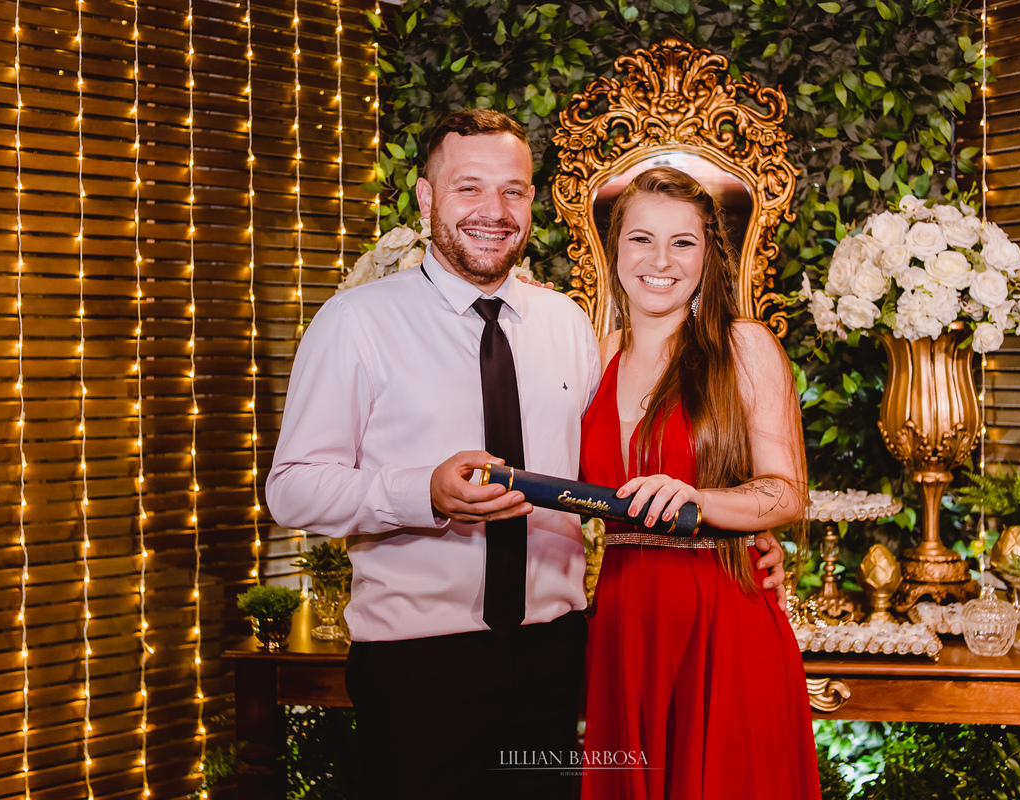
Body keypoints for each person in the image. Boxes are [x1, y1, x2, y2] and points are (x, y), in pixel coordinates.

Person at [266, 110, 786, 799]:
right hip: (419, 665)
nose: (494, 210)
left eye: (512, 190)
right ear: (425, 198)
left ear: (532, 202)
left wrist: (737, 523)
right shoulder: (356, 323)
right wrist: (423, 491)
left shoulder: (568, 326)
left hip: (556, 654)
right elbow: (292, 489)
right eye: (469, 188)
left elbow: (624, 463)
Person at [579, 166, 820, 800]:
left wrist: (703, 501)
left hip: (722, 617)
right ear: (614, 249)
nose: (660, 260)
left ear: (708, 255)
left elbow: (787, 492)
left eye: (682, 242)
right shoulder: (593, 356)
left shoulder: (743, 347)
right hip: (625, 623)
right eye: (641, 239)